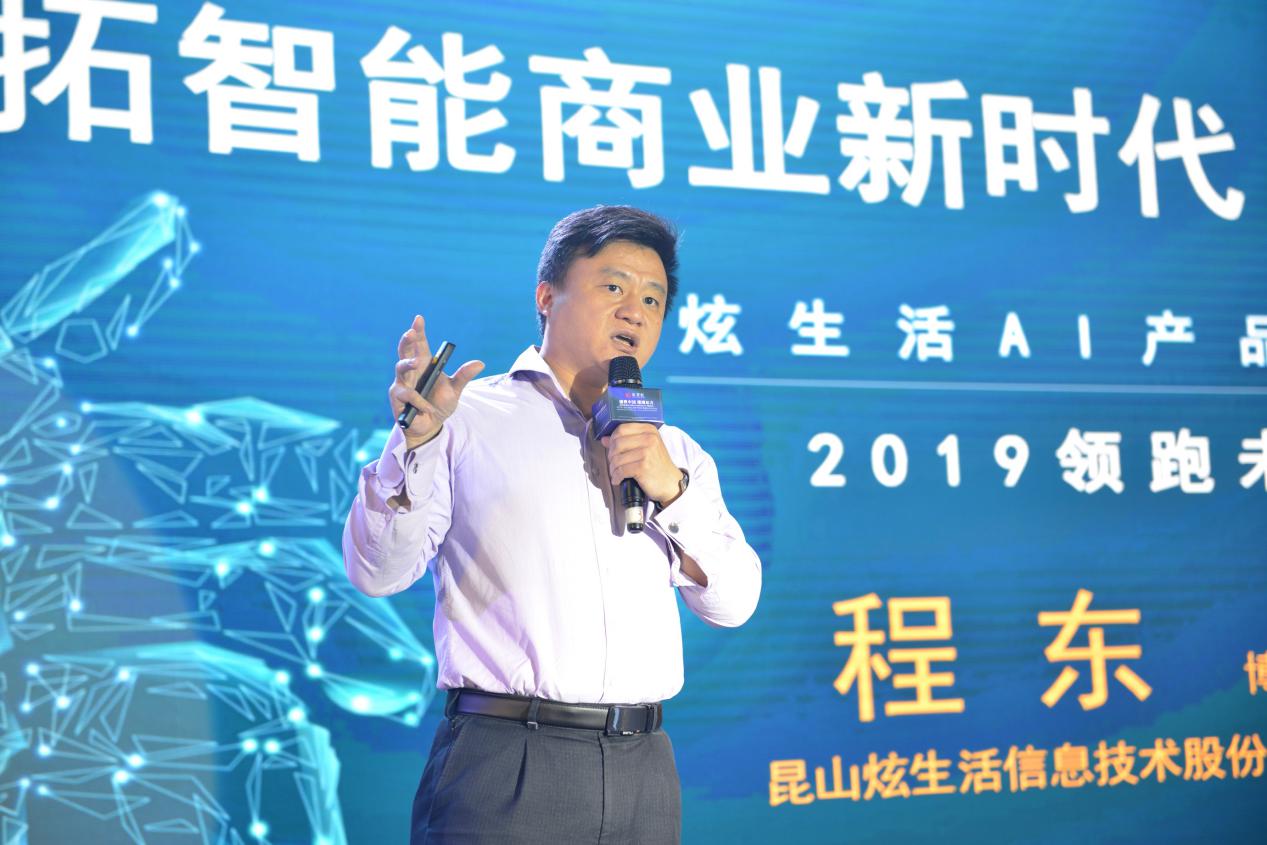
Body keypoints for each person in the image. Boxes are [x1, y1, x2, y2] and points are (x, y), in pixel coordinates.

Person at [342, 205, 762, 844]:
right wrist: (414, 444)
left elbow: (734, 604)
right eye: (614, 287)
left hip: (645, 769)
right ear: (546, 296)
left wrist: (670, 492)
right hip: (508, 762)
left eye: (653, 299)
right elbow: (377, 572)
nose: (635, 312)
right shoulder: (463, 420)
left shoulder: (673, 452)